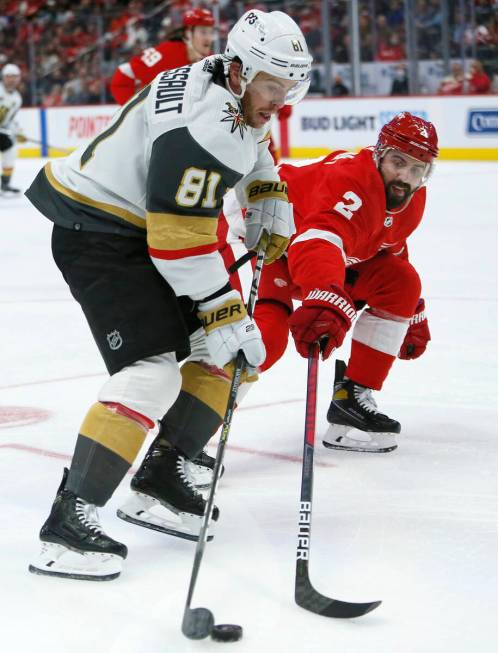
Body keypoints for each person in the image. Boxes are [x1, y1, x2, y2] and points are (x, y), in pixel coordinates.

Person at [26, 9, 312, 581]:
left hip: (139, 229)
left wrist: (266, 187)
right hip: (99, 231)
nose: (279, 99)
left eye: (289, 87)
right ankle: (66, 525)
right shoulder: (203, 125)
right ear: (242, 69)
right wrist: (221, 307)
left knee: (233, 357)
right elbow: (177, 242)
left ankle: (160, 477)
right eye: (271, 85)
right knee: (151, 373)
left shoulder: (219, 73)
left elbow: (250, 140)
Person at [118, 112, 438, 539]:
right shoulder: (352, 183)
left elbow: (388, 249)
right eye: (398, 162)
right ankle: (177, 448)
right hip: (257, 230)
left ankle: (351, 403)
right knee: (258, 340)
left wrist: (410, 308)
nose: (406, 176)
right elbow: (317, 239)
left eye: (418, 169)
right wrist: (325, 293)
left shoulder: (411, 200)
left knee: (401, 283)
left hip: (307, 246)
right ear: (380, 154)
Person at [110, 8, 216, 105]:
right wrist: (135, 112)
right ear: (188, 33)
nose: (209, 38)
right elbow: (123, 74)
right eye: (203, 32)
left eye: (211, 32)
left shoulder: (211, 60)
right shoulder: (166, 53)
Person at [0, 63, 27, 196]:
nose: (11, 79)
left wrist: (18, 132)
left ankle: (5, 184)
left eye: (15, 76)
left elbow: (10, 120)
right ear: (3, 77)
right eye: (8, 76)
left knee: (10, 151)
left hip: (1, 131)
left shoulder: (17, 98)